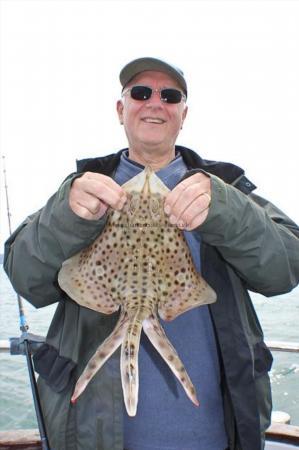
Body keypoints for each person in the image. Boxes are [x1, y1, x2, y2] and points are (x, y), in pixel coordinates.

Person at [4, 57, 299, 450]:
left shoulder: (226, 188)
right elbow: (25, 276)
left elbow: (286, 267)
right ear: (121, 109)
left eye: (170, 95)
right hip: (96, 437)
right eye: (141, 93)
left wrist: (228, 211)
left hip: (216, 436)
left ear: (184, 114)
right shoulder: (83, 190)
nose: (155, 103)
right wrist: (67, 218)